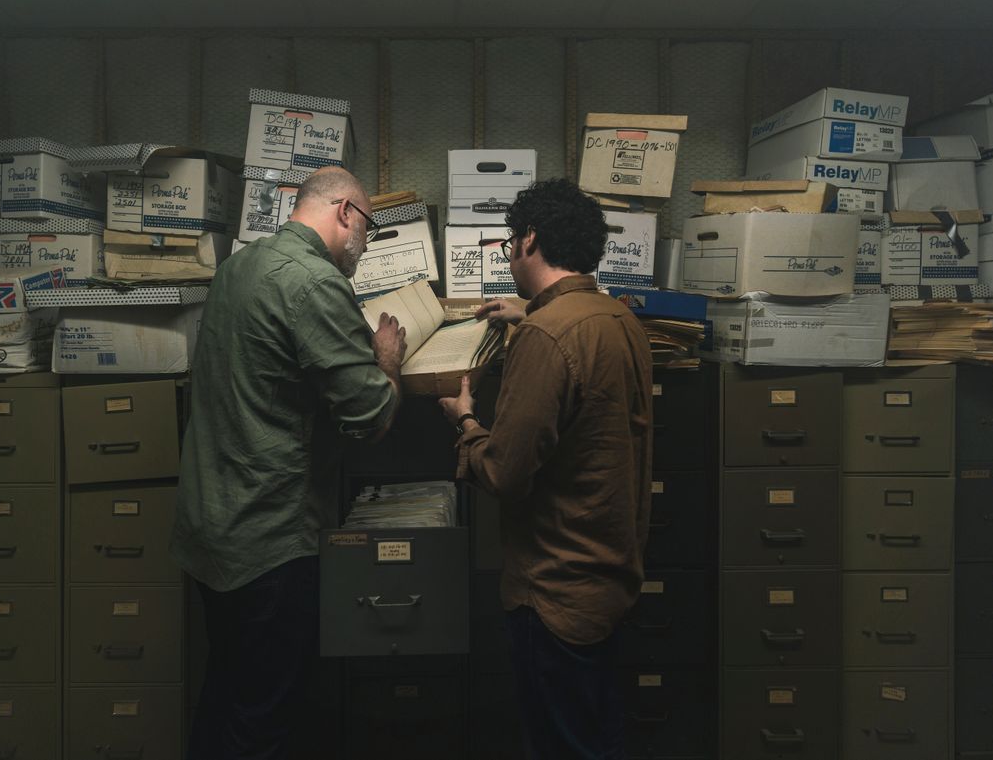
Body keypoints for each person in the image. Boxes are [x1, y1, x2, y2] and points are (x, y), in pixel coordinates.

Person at [171, 166, 407, 759]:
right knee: (266, 722)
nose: (364, 243)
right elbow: (370, 415)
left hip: (213, 529)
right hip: (270, 539)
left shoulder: (238, 268)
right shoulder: (314, 282)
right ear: (345, 212)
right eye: (368, 227)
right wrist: (386, 361)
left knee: (226, 697)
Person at [439, 178, 654, 760]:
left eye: (513, 239)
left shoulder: (546, 335)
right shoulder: (617, 318)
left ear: (529, 240)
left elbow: (506, 474)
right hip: (607, 584)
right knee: (596, 735)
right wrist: (529, 311)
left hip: (555, 593)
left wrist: (465, 422)